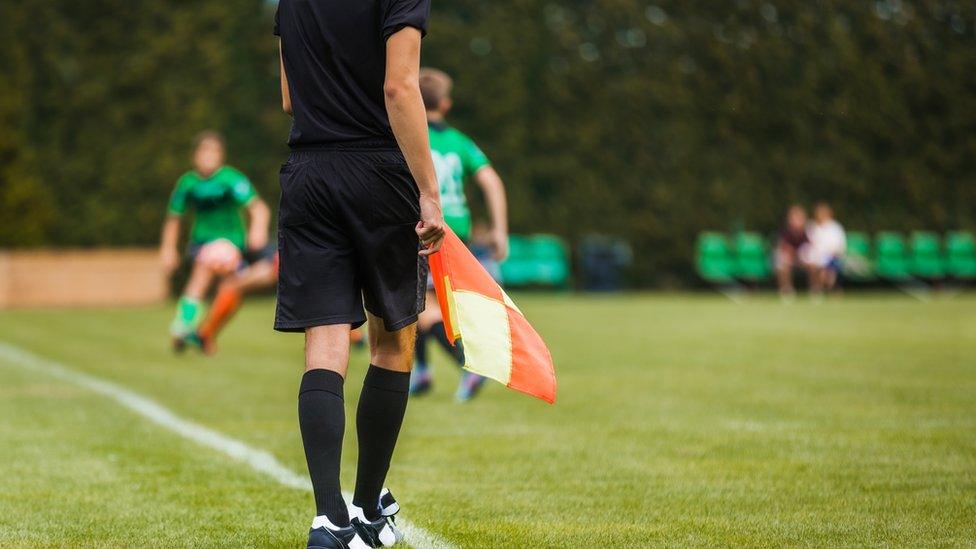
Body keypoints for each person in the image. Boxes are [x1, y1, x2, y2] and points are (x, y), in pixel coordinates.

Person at [274, 1, 445, 547]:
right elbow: (400, 89)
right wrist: (429, 191)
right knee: (393, 340)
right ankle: (369, 509)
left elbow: (287, 97)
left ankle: (329, 516)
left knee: (324, 344)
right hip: (379, 170)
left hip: (308, 174)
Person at [409, 67, 509, 402]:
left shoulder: (409, 136)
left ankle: (467, 366)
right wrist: (499, 229)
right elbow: (492, 182)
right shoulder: (460, 142)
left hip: (425, 228)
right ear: (446, 104)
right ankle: (421, 372)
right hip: (457, 235)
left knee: (423, 307)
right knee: (419, 302)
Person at [159, 131, 271, 351]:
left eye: (214, 151)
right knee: (205, 270)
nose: (209, 156)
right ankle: (187, 327)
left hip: (233, 244)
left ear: (221, 155)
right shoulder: (188, 183)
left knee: (233, 287)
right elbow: (173, 219)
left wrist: (257, 229)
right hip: (202, 243)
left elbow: (259, 208)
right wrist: (168, 248)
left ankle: (199, 330)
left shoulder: (231, 179)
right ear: (195, 156)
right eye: (205, 151)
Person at [803, 202, 847, 295]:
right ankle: (816, 288)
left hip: (832, 256)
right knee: (813, 263)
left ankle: (829, 287)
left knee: (827, 275)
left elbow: (839, 247)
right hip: (815, 257)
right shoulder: (811, 226)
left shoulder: (835, 227)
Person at [774, 204, 811, 299]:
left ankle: (816, 290)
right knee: (781, 263)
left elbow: (809, 249)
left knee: (816, 263)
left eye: (798, 218)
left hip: (803, 258)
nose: (796, 220)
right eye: (793, 218)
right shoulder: (784, 232)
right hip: (790, 258)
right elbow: (784, 249)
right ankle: (786, 290)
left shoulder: (809, 231)